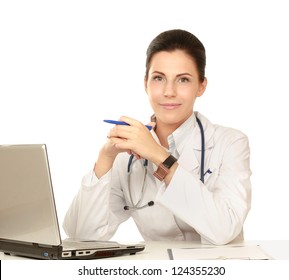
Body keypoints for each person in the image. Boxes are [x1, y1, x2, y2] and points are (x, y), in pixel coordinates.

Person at [63, 29, 251, 245]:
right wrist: (105, 158)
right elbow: (82, 236)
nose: (169, 91)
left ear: (201, 86)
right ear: (146, 84)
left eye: (183, 80)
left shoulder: (231, 143)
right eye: (159, 78)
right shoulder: (127, 155)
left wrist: (159, 156)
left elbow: (224, 230)